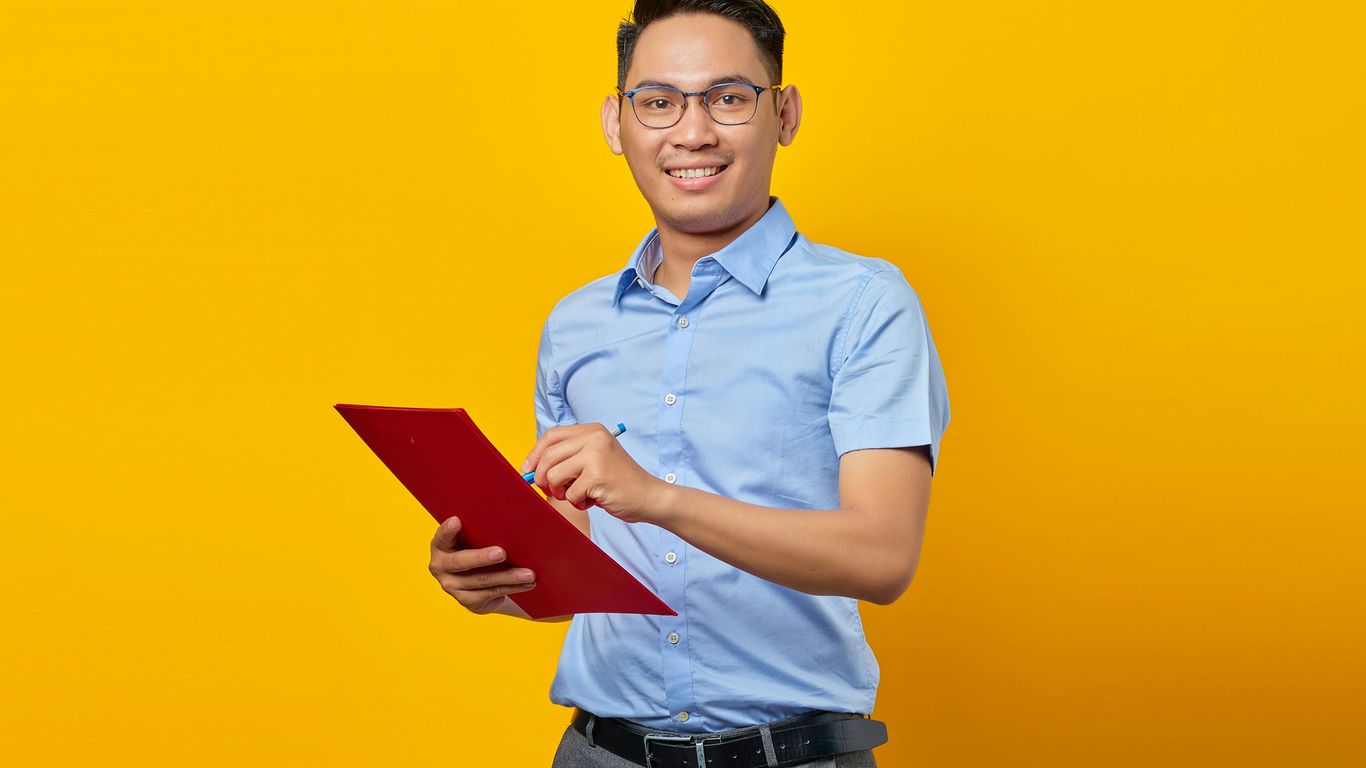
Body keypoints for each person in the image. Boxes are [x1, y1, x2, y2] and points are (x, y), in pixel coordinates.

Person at [427, 1, 950, 765]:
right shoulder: (574, 326)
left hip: (792, 754)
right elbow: (577, 564)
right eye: (659, 101)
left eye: (729, 98)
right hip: (599, 752)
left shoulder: (865, 304)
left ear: (785, 114)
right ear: (617, 122)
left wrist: (657, 498)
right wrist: (491, 579)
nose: (693, 131)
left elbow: (881, 557)